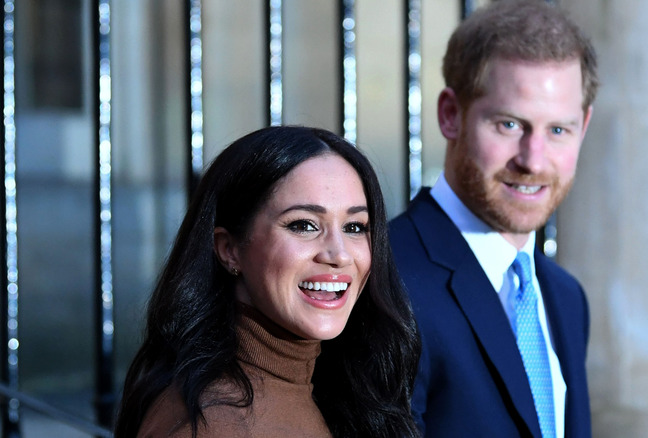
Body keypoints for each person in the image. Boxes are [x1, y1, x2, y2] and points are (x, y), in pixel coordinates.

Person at [115, 126, 421, 438]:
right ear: (229, 249)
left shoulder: (329, 388)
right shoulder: (219, 425)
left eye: (355, 227)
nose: (339, 254)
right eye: (304, 225)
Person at [389, 1, 599, 437]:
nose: (533, 160)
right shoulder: (388, 282)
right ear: (451, 115)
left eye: (558, 130)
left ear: (585, 125)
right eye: (509, 125)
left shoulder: (565, 297)